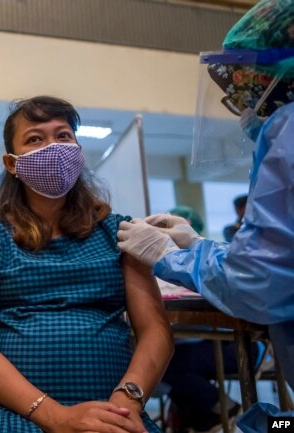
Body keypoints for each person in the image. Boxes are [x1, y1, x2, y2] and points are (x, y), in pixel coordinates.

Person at [0, 96, 173, 433]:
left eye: (63, 135)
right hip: (12, 410)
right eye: (35, 138)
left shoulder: (120, 233)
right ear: (12, 163)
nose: (53, 147)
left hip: (111, 407)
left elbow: (155, 329)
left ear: (78, 150)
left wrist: (128, 399)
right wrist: (54, 415)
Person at [117, 1, 294, 431]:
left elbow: (256, 283)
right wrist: (195, 246)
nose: (243, 103)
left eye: (248, 84)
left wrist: (169, 256)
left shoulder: (288, 132)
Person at [158, 206, 243, 433]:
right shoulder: (171, 267)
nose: (171, 233)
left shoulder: (211, 261)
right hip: (201, 344)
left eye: (179, 226)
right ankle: (209, 415)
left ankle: (225, 407)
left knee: (166, 362)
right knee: (165, 359)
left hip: (236, 343)